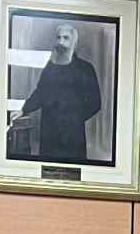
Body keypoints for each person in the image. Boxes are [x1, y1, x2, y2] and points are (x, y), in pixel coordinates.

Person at [11, 19, 100, 164]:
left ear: (74, 43)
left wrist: (74, 119)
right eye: (58, 38)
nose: (61, 42)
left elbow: (95, 103)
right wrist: (23, 110)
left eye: (66, 38)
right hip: (49, 132)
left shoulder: (86, 69)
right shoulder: (50, 67)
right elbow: (40, 93)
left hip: (73, 135)